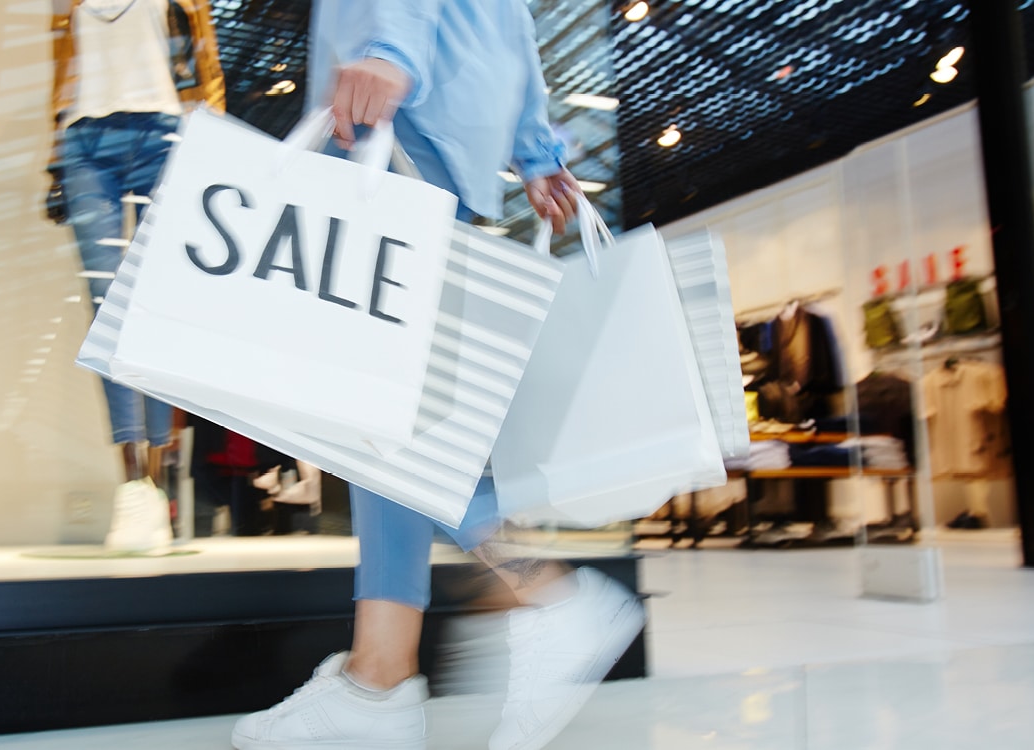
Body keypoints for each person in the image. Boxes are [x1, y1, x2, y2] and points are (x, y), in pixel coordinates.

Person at [230, 3, 643, 750]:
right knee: (384, 418)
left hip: (396, 132)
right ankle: (380, 673)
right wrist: (536, 148)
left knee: (380, 415)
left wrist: (390, 49)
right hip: (432, 140)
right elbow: (512, 22)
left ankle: (539, 595)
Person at [46, 0, 226, 550]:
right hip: (84, 144)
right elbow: (63, 68)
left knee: (154, 311)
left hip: (163, 137)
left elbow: (205, 64)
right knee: (107, 308)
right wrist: (53, 156)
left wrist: (215, 153)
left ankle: (156, 480)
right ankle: (134, 484)